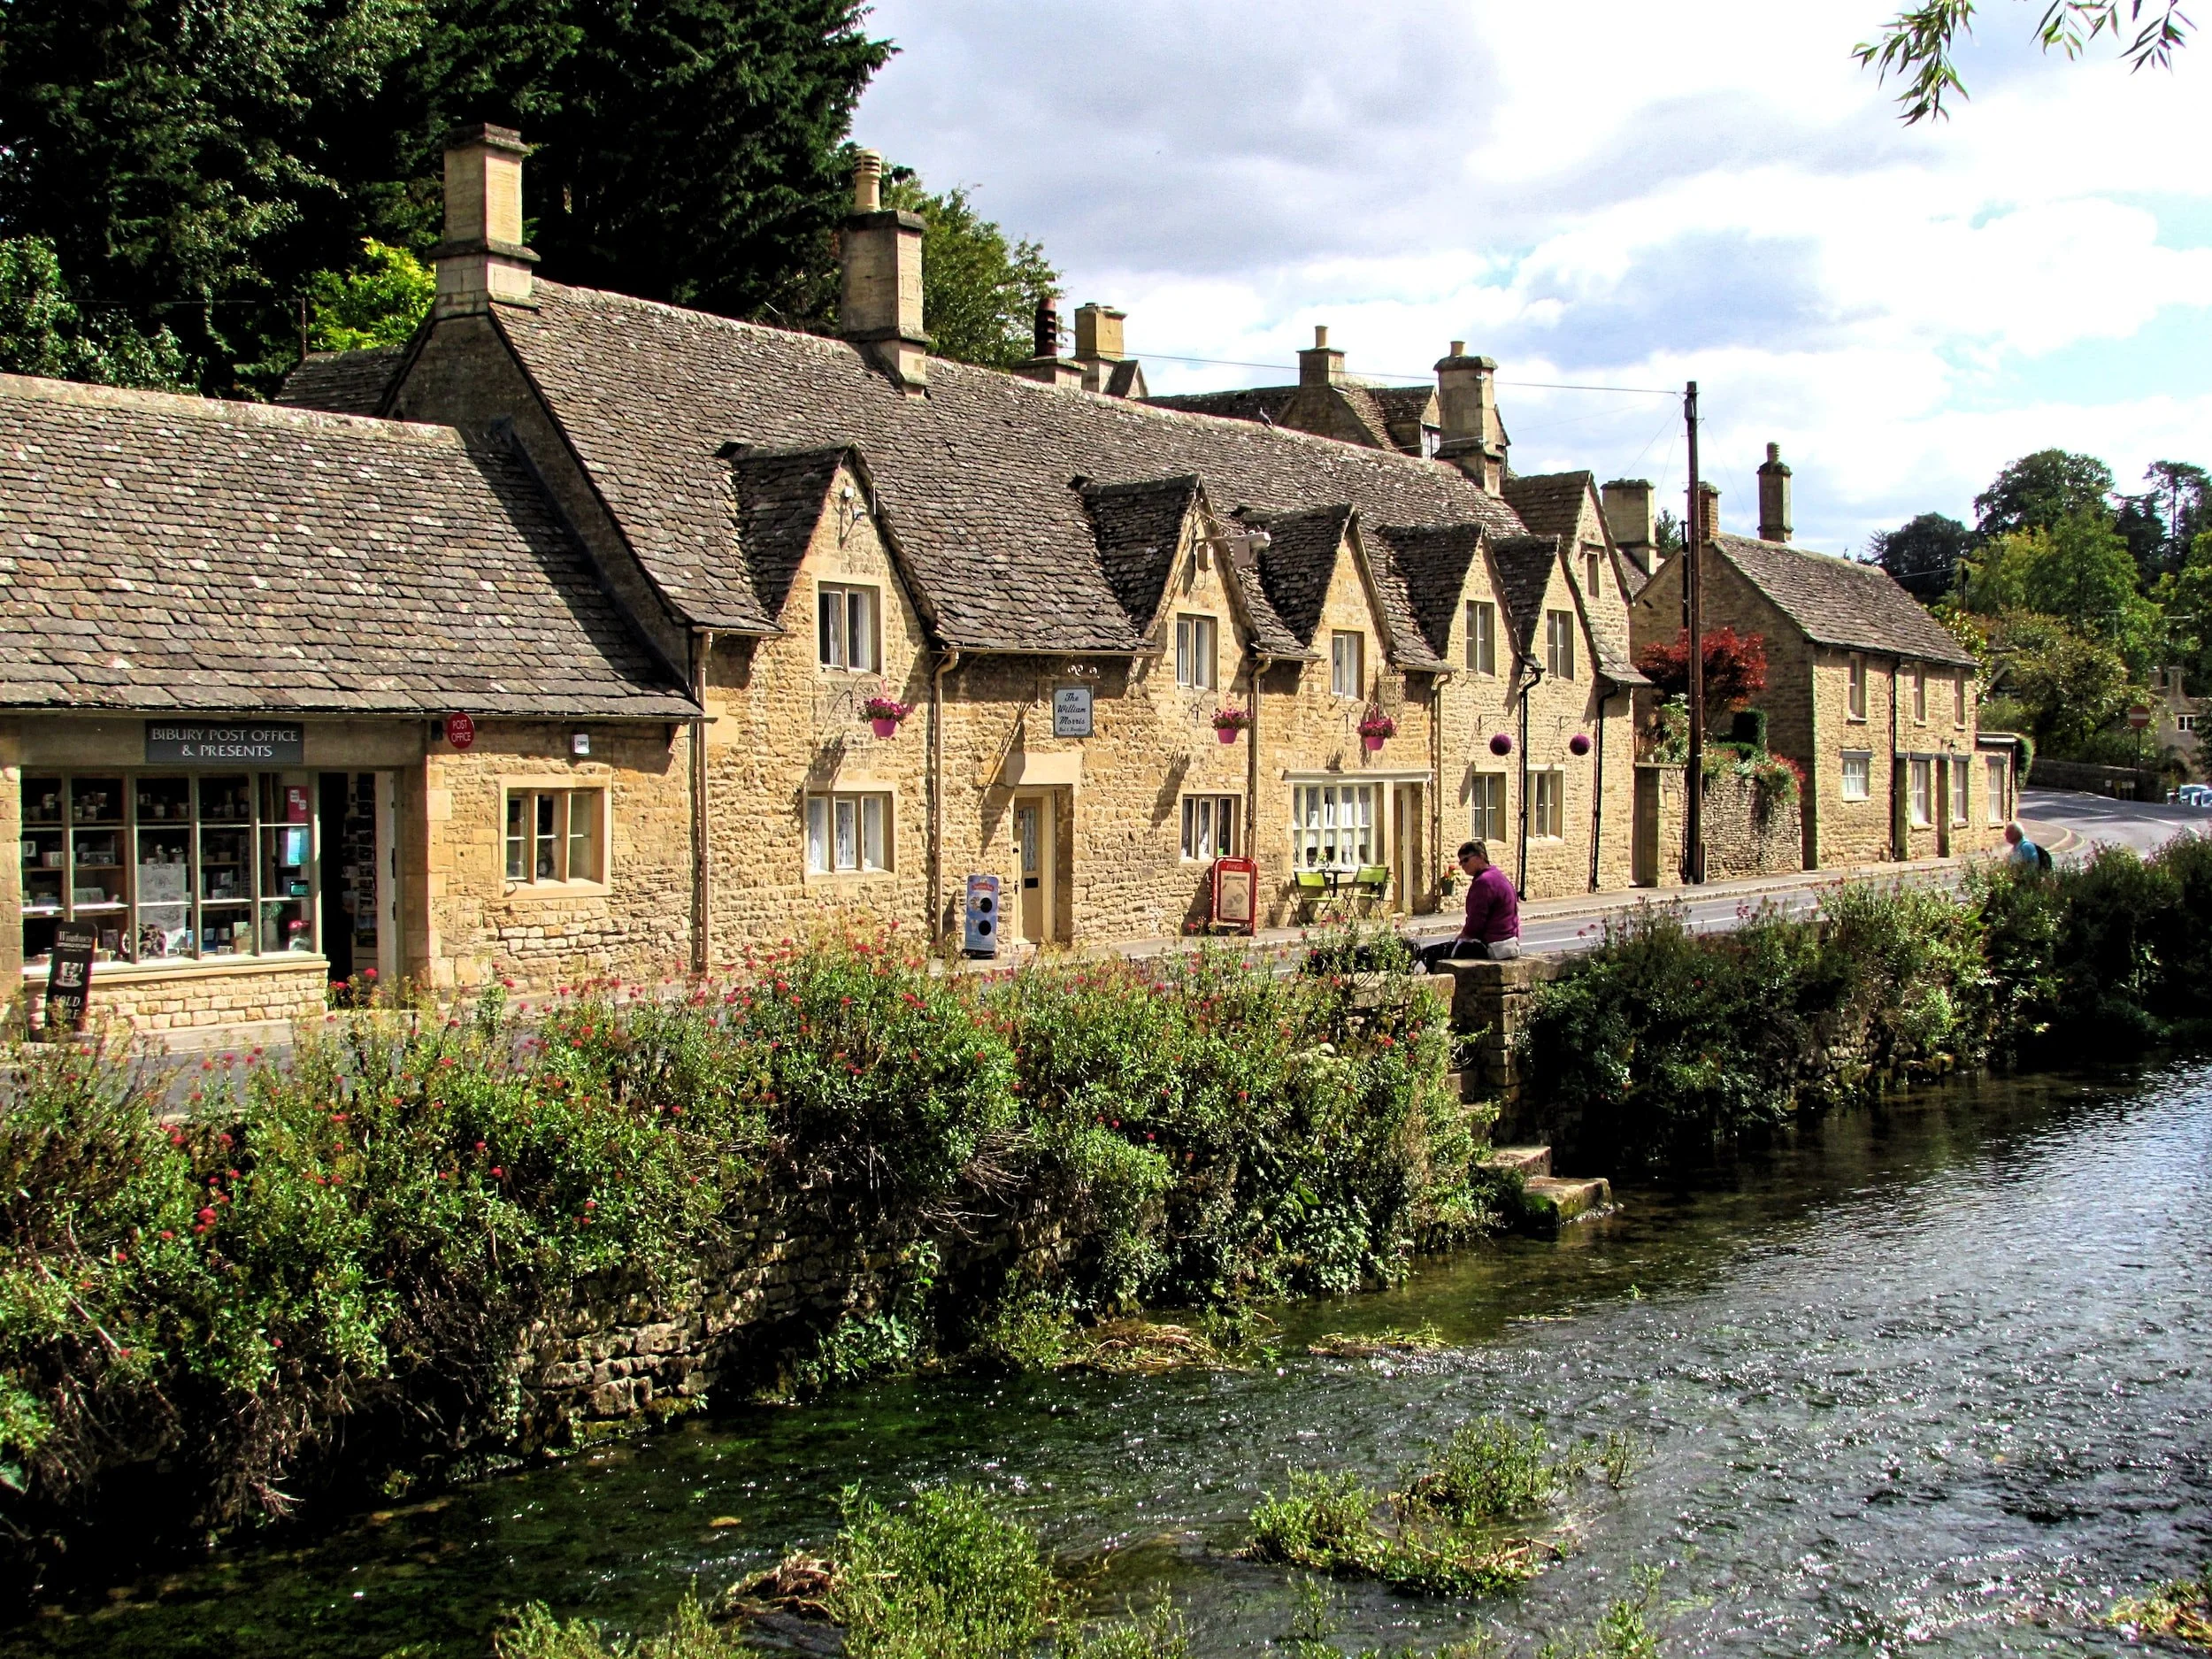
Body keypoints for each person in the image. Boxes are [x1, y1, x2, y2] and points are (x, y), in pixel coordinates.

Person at [1417, 841, 1521, 970]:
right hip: (1509, 944)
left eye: (1466, 860)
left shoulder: (1484, 882)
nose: (1462, 865)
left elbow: (1475, 924)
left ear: (1480, 857)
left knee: (1430, 954)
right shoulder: (1497, 876)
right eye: (1461, 862)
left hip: (1493, 946)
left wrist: (1458, 940)